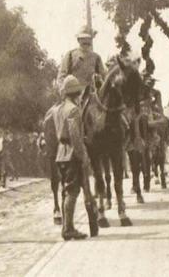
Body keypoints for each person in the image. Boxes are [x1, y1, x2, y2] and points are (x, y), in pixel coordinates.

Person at [53, 75, 90, 240]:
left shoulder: (58, 109)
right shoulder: (74, 110)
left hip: (61, 153)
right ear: (76, 93)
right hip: (71, 154)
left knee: (65, 191)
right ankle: (68, 229)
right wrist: (82, 155)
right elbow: (75, 135)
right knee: (72, 191)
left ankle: (67, 228)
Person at [57, 25, 107, 92]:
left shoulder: (96, 57)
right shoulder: (70, 55)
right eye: (83, 38)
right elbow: (61, 77)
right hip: (73, 95)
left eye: (89, 38)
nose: (86, 41)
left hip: (91, 95)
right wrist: (65, 91)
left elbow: (104, 78)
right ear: (78, 40)